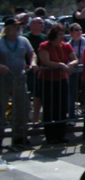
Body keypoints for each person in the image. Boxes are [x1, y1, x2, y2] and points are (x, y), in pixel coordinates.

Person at [38, 24, 78, 144]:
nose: (62, 36)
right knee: (49, 108)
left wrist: (71, 64)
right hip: (47, 81)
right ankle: (50, 136)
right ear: (54, 35)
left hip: (61, 80)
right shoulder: (44, 46)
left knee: (62, 107)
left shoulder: (66, 46)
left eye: (63, 34)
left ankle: (61, 134)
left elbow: (75, 59)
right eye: (60, 34)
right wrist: (61, 65)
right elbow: (46, 61)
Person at [0, 17, 35, 149]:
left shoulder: (23, 40)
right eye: (15, 26)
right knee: (1, 109)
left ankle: (19, 137)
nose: (18, 28)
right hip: (2, 81)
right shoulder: (0, 42)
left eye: (19, 26)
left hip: (19, 79)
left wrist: (33, 62)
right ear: (8, 28)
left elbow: (32, 54)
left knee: (23, 108)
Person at [65, 24, 85, 122]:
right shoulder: (68, 45)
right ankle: (71, 116)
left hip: (84, 72)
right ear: (71, 33)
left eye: (80, 29)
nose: (79, 31)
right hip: (73, 73)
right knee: (72, 94)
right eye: (76, 30)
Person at [25, 16, 46, 123]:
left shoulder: (45, 38)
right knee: (27, 95)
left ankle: (36, 119)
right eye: (39, 22)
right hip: (28, 72)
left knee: (39, 95)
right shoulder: (25, 38)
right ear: (32, 25)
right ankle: (26, 118)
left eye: (42, 23)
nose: (42, 25)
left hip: (42, 71)